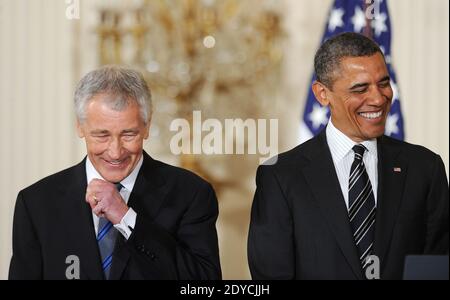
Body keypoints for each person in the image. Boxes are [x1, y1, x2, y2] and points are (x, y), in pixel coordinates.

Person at [248, 32, 449, 280]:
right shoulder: (280, 177)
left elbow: (436, 268)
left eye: (384, 83)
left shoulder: (425, 168)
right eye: (360, 88)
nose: (378, 98)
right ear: (322, 94)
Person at [9, 66, 221, 280]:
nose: (115, 152)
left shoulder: (191, 194)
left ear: (147, 126)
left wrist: (125, 217)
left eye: (128, 134)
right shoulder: (36, 203)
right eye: (102, 135)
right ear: (80, 127)